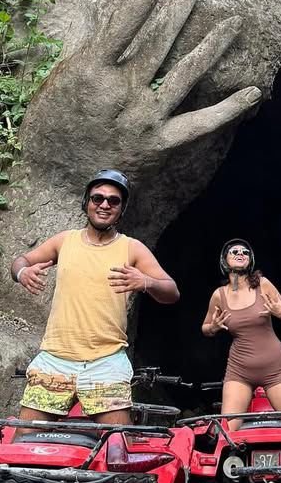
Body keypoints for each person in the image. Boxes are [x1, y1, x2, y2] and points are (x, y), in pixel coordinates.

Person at [10, 168, 179, 424]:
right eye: (97, 198)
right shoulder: (65, 241)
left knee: (116, 442)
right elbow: (20, 261)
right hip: (55, 359)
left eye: (113, 201)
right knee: (25, 439)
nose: (104, 205)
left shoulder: (132, 248)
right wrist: (23, 272)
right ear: (86, 203)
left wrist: (145, 281)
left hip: (107, 361)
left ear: (122, 209)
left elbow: (171, 291)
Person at [201, 238, 281, 426]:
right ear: (224, 260)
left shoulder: (263, 284)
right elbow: (205, 328)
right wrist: (214, 327)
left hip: (275, 368)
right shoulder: (219, 295)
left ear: (251, 260)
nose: (240, 254)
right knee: (228, 429)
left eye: (245, 252)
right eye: (234, 251)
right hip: (239, 370)